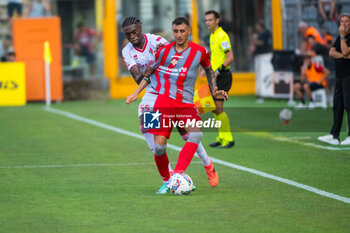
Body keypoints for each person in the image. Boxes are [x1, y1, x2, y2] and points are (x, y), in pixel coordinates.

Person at [126, 17, 227, 194]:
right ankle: (168, 178)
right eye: (128, 34)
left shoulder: (158, 41)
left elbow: (181, 56)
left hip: (178, 95)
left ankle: (204, 163)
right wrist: (137, 92)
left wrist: (212, 90)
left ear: (140, 29)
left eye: (134, 32)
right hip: (152, 95)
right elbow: (138, 78)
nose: (132, 36)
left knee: (189, 134)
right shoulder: (127, 51)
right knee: (150, 133)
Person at [318, 13, 350, 145]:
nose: (343, 24)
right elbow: (332, 52)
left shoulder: (344, 37)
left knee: (349, 105)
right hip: (339, 76)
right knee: (337, 106)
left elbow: (346, 51)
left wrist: (342, 38)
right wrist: (343, 54)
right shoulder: (341, 37)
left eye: (346, 22)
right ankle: (334, 136)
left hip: (349, 76)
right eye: (341, 22)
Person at [204, 10, 235, 149]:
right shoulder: (213, 36)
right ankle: (221, 137)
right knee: (214, 108)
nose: (207, 22)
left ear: (217, 20)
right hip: (214, 77)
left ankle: (228, 139)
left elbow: (230, 57)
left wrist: (217, 71)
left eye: (210, 20)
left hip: (223, 76)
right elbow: (216, 57)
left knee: (218, 107)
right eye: (206, 20)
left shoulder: (222, 36)